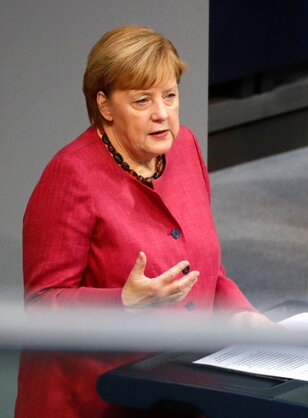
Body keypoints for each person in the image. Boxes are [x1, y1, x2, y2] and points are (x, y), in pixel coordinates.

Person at [17, 26, 271, 417]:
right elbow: (41, 302)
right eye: (141, 100)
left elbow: (205, 266)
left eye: (169, 96)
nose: (162, 113)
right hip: (95, 398)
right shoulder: (71, 175)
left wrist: (240, 314)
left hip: (179, 387)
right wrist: (123, 302)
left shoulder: (184, 147)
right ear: (105, 106)